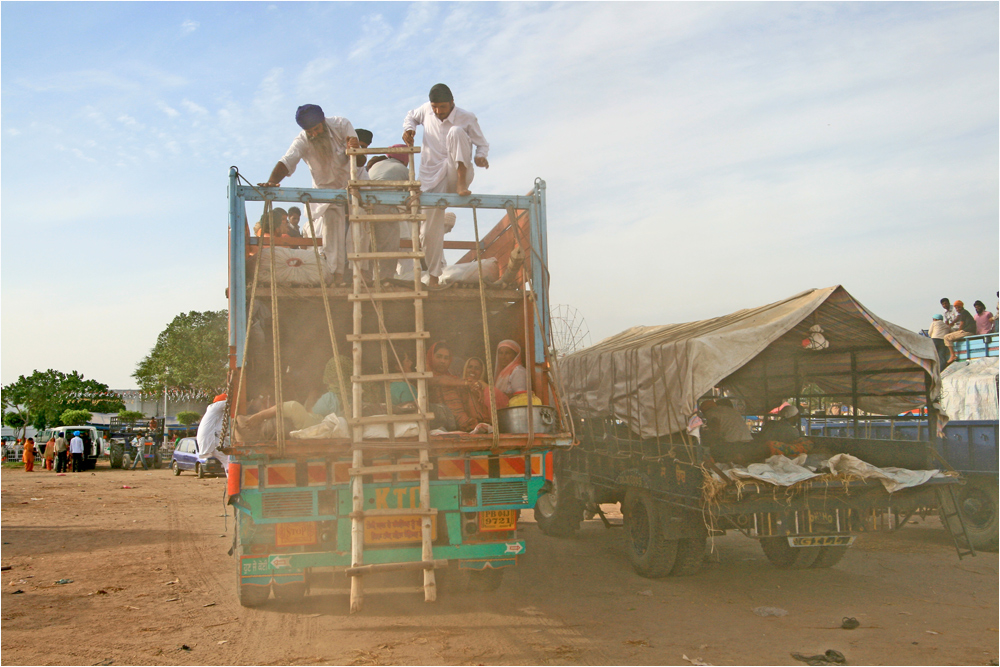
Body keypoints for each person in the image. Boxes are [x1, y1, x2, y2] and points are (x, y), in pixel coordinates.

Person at [259, 104, 361, 286]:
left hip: (354, 183)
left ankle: (360, 276)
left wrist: (355, 149)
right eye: (309, 131)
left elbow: (360, 161)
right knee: (332, 235)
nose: (314, 134)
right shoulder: (302, 140)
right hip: (327, 191)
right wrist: (272, 181)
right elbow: (288, 160)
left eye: (316, 129)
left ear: (323, 121)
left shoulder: (341, 125)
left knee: (360, 229)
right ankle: (336, 277)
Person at [402, 83, 489, 287]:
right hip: (431, 179)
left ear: (452, 103)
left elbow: (482, 143)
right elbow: (411, 117)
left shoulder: (466, 116)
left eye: (443, 107)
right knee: (428, 231)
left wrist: (480, 156)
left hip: (457, 174)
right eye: (435, 107)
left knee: (456, 132)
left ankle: (460, 182)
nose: (439, 112)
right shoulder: (426, 110)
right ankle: (433, 276)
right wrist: (409, 129)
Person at [362, 145, 411, 284]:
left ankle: (368, 279)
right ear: (405, 159)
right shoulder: (403, 170)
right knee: (389, 245)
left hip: (367, 207)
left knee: (370, 244)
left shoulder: (375, 166)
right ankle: (386, 278)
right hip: (386, 208)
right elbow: (414, 193)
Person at [426, 341, 478, 431]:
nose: (443, 361)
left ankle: (474, 423)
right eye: (439, 357)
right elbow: (440, 380)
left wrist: (475, 387)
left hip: (453, 422)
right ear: (431, 357)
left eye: (446, 358)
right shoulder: (424, 375)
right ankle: (465, 423)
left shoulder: (453, 378)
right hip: (434, 421)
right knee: (447, 388)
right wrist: (466, 383)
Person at [462, 356, 509, 423]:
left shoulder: (487, 390)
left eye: (477, 368)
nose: (472, 370)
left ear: (482, 371)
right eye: (470, 367)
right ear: (465, 369)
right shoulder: (458, 385)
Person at [196, 394, 230, 475]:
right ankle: (232, 482)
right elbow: (231, 403)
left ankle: (231, 480)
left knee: (227, 460)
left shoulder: (216, 414)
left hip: (211, 438)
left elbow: (220, 431)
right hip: (210, 439)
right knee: (228, 460)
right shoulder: (215, 406)